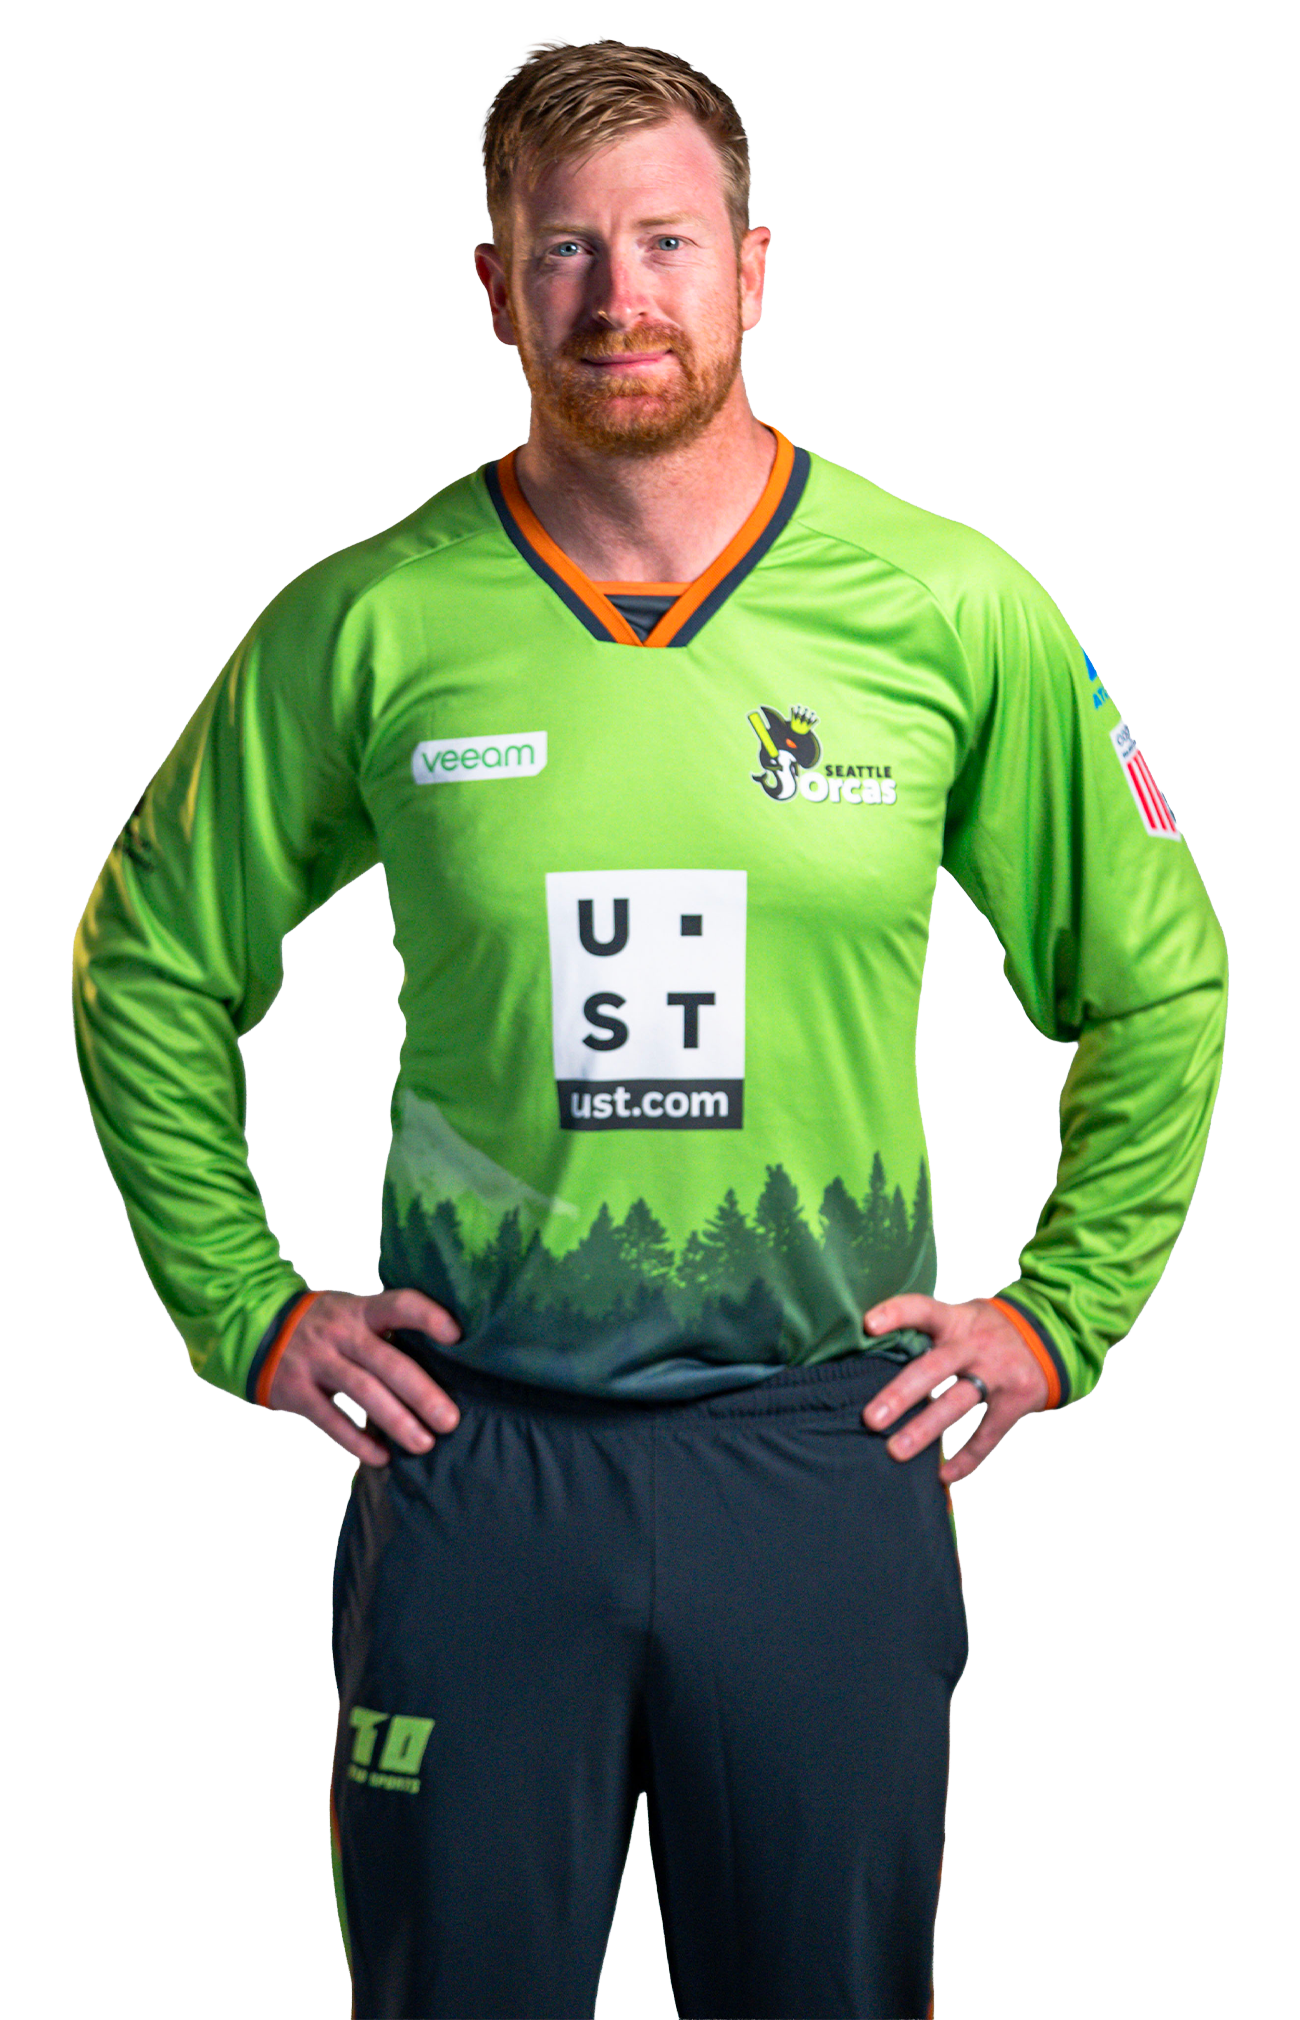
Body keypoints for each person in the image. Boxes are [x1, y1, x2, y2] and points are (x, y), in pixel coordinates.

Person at [71, 35, 1228, 2020]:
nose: (620, 295)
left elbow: (1157, 975)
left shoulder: (946, 607)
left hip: (821, 1451)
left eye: (669, 241)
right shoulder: (371, 622)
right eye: (567, 248)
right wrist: (242, 1302)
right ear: (494, 283)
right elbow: (146, 958)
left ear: (756, 268)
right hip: (477, 1459)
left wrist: (1065, 1310)